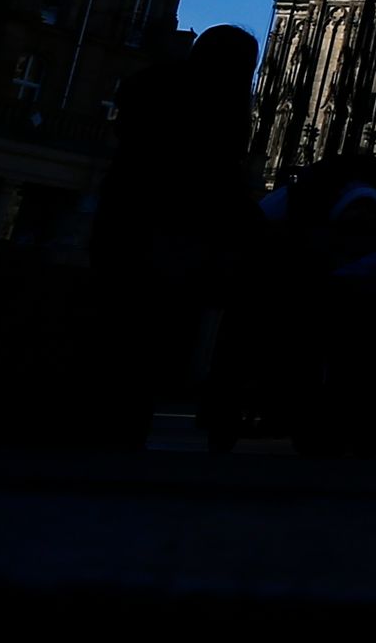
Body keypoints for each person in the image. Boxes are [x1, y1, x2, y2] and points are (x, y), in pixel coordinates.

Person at [89, 24, 262, 447]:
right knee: (155, 327)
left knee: (122, 323)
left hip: (125, 214)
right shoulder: (221, 103)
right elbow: (220, 170)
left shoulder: (150, 84)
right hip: (177, 227)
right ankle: (134, 420)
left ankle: (111, 419)